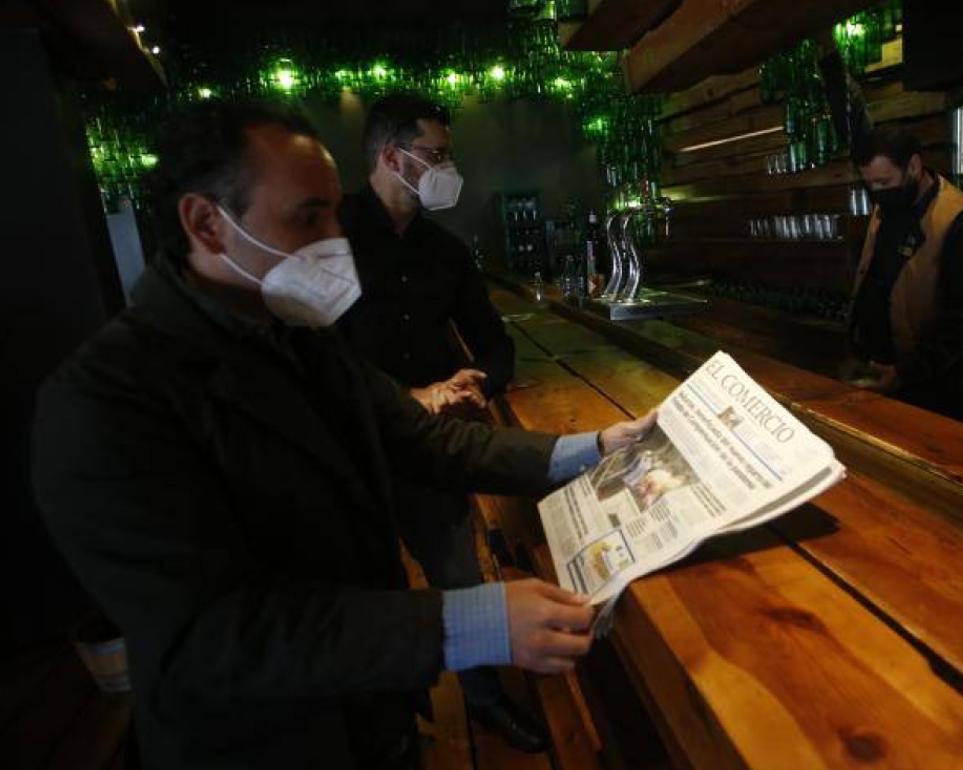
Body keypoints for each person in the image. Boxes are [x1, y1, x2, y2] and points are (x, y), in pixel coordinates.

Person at [29, 99, 655, 770]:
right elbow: (210, 637)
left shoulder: (299, 336)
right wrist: (470, 622)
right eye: (308, 216)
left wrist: (591, 448)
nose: (336, 236)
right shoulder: (104, 399)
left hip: (369, 718)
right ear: (206, 222)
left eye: (333, 210)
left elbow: (428, 442)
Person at [336, 96, 546, 751]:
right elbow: (305, 352)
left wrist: (470, 384)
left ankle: (482, 699)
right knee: (361, 589)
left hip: (427, 447)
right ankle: (387, 722)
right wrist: (407, 396)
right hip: (347, 442)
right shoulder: (327, 236)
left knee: (459, 574)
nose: (448, 168)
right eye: (437, 155)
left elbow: (494, 344)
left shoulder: (444, 250)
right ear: (392, 157)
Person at [844, 128, 963, 408]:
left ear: (913, 166)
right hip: (876, 371)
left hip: (927, 385)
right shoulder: (888, 204)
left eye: (883, 182)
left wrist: (905, 373)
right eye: (870, 185)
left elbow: (962, 317)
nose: (877, 193)